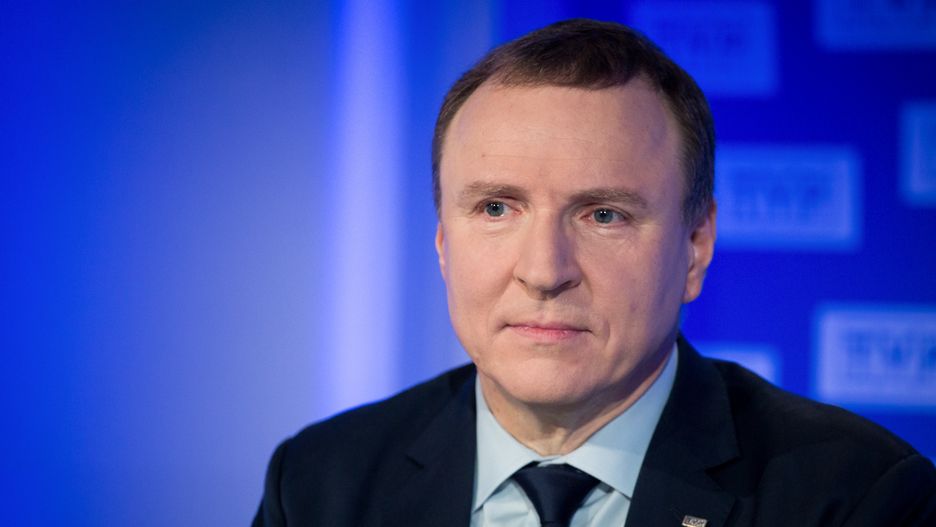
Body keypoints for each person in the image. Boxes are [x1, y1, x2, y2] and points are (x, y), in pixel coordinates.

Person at [253, 18, 936, 526]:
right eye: (496, 208)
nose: (544, 271)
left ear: (695, 246)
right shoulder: (319, 484)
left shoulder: (856, 498)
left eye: (603, 214)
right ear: (441, 243)